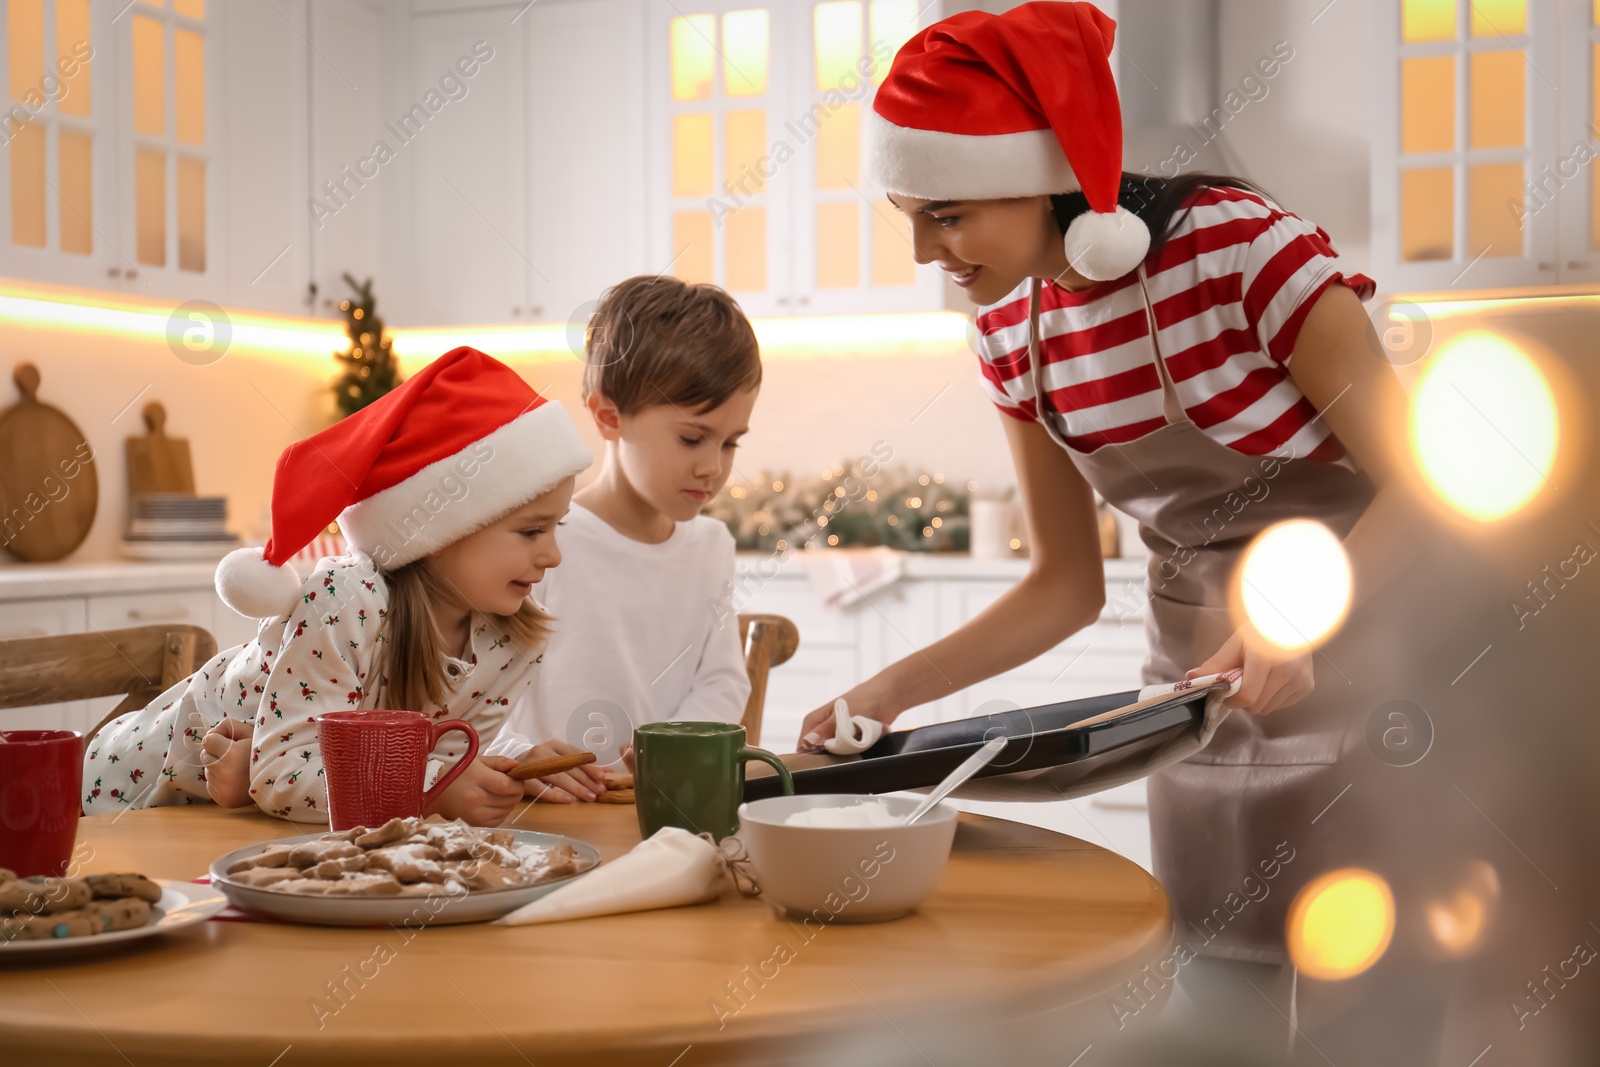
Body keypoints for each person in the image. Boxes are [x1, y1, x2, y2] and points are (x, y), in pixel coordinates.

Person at [799, 0, 1422, 981]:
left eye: (944, 214)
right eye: (911, 219)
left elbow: (1425, 491)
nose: (925, 253)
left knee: (1375, 982)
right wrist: (884, 691)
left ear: (1037, 175)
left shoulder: (1240, 253)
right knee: (1216, 976)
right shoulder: (1011, 336)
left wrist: (1294, 619)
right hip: (1196, 689)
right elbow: (1064, 584)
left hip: (1372, 648)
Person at [82, 347, 601, 826]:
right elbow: (284, 777)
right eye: (531, 531)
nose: (551, 556)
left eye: (557, 528)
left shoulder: (513, 641)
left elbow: (430, 761)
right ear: (442, 531)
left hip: (230, 830)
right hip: (119, 805)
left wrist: (504, 764)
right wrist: (433, 792)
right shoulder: (348, 598)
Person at [493, 276, 759, 798]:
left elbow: (722, 680)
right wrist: (517, 755)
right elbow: (465, 701)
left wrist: (680, 750)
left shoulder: (712, 547)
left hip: (659, 807)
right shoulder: (543, 543)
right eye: (691, 438)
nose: (713, 467)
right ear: (608, 416)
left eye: (731, 443)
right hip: (548, 815)